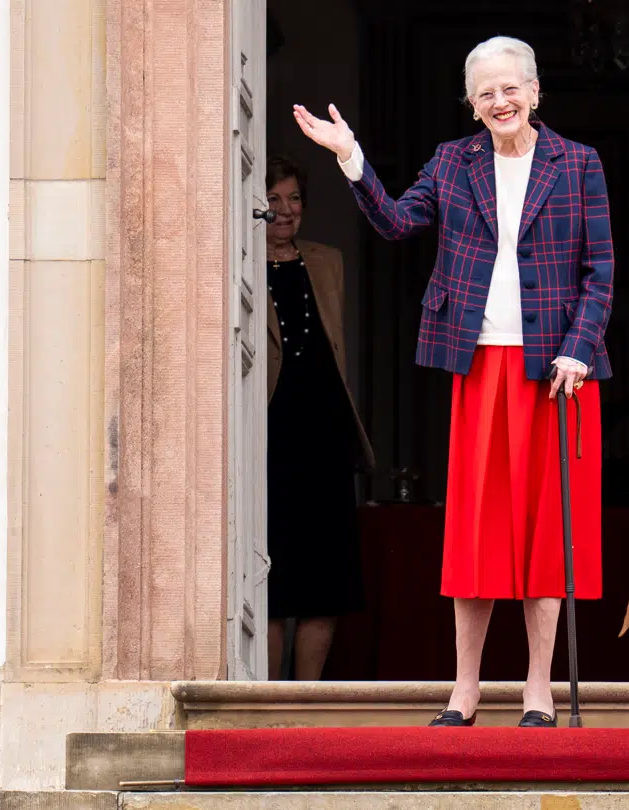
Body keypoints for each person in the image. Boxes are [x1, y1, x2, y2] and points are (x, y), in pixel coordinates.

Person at [292, 35, 614, 727]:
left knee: (544, 533)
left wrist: (578, 349)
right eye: (485, 92)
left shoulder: (579, 163)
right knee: (476, 531)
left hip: (557, 371)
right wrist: (349, 156)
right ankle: (465, 689)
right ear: (470, 104)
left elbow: (601, 271)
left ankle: (537, 688)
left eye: (511, 88)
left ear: (535, 92)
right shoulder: (452, 162)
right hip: (481, 367)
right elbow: (395, 221)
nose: (500, 101)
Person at [263, 156, 376, 681]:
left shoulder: (328, 261)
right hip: (271, 439)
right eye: (274, 199)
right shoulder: (238, 264)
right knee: (272, 580)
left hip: (325, 436)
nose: (285, 210)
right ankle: (266, 701)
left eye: (294, 198)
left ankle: (306, 697)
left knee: (325, 581)